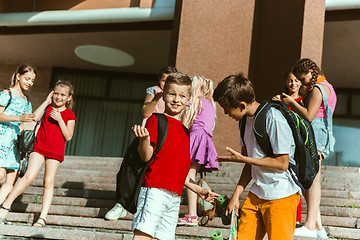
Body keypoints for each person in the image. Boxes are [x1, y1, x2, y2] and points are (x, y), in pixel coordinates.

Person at [213, 73, 302, 240]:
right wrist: (236, 195)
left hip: (282, 195)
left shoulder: (273, 118)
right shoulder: (244, 121)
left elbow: (282, 163)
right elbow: (249, 164)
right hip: (257, 193)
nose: (225, 113)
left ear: (241, 105)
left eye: (226, 109)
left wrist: (244, 159)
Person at [132, 72, 219, 240]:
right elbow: (145, 156)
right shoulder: (156, 120)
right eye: (172, 94)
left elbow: (180, 172)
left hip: (174, 197)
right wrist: (144, 139)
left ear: (188, 100)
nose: (176, 100)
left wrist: (198, 189)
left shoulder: (185, 131)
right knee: (143, 236)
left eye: (182, 96)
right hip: (154, 191)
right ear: (164, 95)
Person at [105, 66, 178, 221]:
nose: (165, 83)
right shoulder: (154, 91)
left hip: (164, 140)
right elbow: (145, 112)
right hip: (145, 135)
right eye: (164, 79)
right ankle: (121, 205)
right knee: (129, 168)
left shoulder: (176, 96)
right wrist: (157, 98)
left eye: (169, 80)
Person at [0, 80, 76, 227]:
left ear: (69, 97)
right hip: (39, 147)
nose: (59, 97)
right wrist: (46, 101)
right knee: (28, 176)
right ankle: (5, 207)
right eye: (56, 94)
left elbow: (68, 136)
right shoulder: (47, 108)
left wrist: (60, 119)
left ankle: (42, 218)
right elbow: (34, 117)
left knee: (48, 182)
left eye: (63, 95)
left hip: (55, 151)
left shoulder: (70, 115)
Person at [282, 58, 336, 238]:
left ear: (310, 73)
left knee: (312, 180)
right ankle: (319, 229)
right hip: (324, 135)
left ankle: (310, 226)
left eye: (302, 78)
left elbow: (309, 115)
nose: (301, 81)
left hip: (316, 134)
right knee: (311, 178)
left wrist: (292, 102)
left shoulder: (318, 89)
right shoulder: (329, 86)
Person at [177, 75, 219, 226]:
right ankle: (192, 214)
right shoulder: (210, 104)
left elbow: (183, 126)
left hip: (194, 138)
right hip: (205, 140)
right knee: (191, 175)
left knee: (188, 175)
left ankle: (192, 215)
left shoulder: (193, 102)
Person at [0, 64, 37, 208]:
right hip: (2, 138)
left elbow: (23, 125)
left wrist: (23, 146)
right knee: (1, 174)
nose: (30, 83)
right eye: (27, 78)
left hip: (15, 143)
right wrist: (20, 118)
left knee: (11, 181)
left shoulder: (27, 101)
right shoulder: (6, 94)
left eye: (32, 80)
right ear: (18, 76)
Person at [272, 69, 304, 224]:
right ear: (286, 82)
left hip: (298, 145)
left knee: (296, 181)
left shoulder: (304, 101)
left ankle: (297, 217)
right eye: (290, 80)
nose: (293, 84)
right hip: (283, 144)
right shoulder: (279, 98)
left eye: (296, 80)